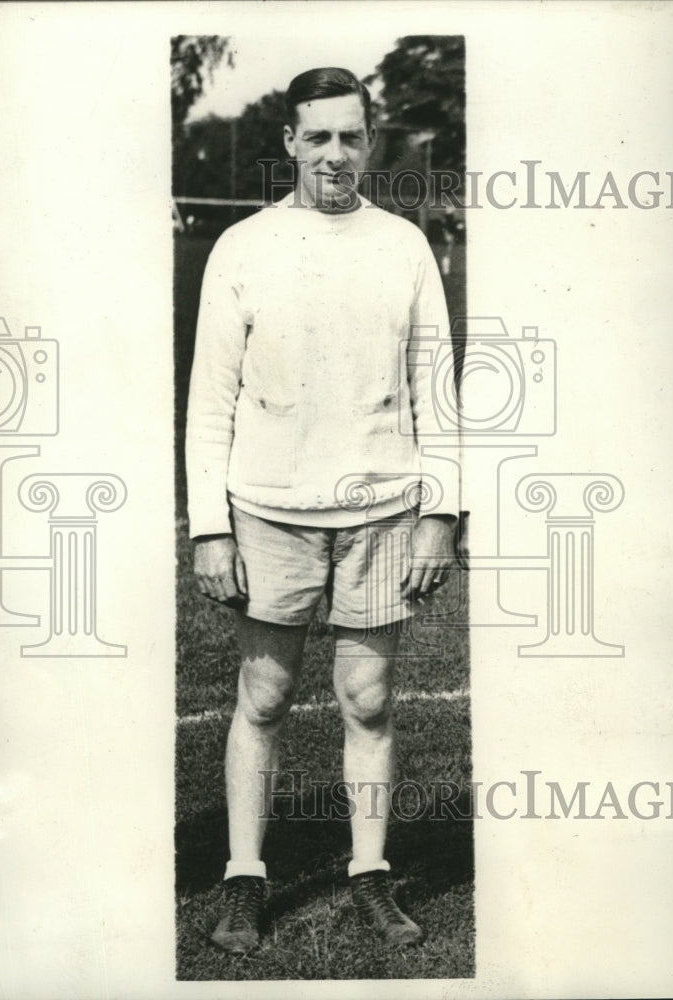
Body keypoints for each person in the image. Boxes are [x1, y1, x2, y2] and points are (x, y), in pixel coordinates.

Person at [185, 66, 461, 953]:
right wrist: (210, 525)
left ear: (369, 143)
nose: (336, 154)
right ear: (291, 144)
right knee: (262, 697)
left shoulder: (404, 246)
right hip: (268, 510)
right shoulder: (244, 247)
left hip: (383, 509)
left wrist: (440, 512)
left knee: (369, 699)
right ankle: (243, 878)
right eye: (320, 137)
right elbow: (208, 400)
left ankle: (370, 875)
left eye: (352, 136)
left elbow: (438, 391)